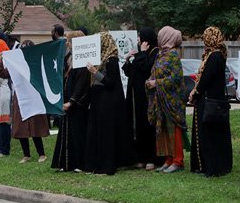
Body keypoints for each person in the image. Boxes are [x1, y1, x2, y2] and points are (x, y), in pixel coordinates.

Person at [84, 32, 135, 175]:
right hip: (98, 99)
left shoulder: (111, 60)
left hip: (107, 102)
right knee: (96, 133)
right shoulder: (98, 58)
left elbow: (110, 83)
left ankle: (107, 166)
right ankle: (94, 164)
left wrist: (95, 72)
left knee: (105, 134)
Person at [188, 26, 233, 177]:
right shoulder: (217, 55)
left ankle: (209, 166)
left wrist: (196, 92)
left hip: (209, 101)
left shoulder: (214, 56)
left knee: (208, 134)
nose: (203, 40)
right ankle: (212, 165)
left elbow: (206, 79)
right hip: (214, 100)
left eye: (205, 37)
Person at [146, 26, 188, 173]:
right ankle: (168, 159)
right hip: (160, 99)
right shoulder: (160, 54)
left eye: (161, 35)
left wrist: (157, 83)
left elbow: (176, 78)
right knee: (163, 129)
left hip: (172, 100)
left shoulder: (173, 55)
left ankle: (178, 161)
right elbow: (155, 72)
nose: (158, 38)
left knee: (173, 130)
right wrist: (150, 81)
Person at [51, 31, 90, 172]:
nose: (67, 43)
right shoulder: (70, 58)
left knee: (77, 133)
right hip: (67, 101)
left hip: (78, 104)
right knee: (66, 132)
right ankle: (66, 163)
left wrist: (72, 101)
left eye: (69, 41)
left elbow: (82, 82)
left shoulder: (83, 60)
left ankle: (79, 163)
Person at [122, 28, 160, 171]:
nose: (138, 40)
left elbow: (146, 68)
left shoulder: (155, 52)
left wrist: (142, 53)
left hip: (147, 97)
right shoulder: (142, 53)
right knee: (137, 126)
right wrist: (127, 59)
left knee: (147, 126)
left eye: (140, 37)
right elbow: (131, 71)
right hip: (135, 96)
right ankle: (140, 157)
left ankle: (151, 158)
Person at [12, 40, 50, 163]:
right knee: (21, 126)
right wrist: (1, 62)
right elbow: (5, 73)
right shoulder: (16, 63)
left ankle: (41, 154)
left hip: (34, 97)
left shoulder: (37, 61)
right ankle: (26, 155)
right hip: (20, 97)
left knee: (35, 126)